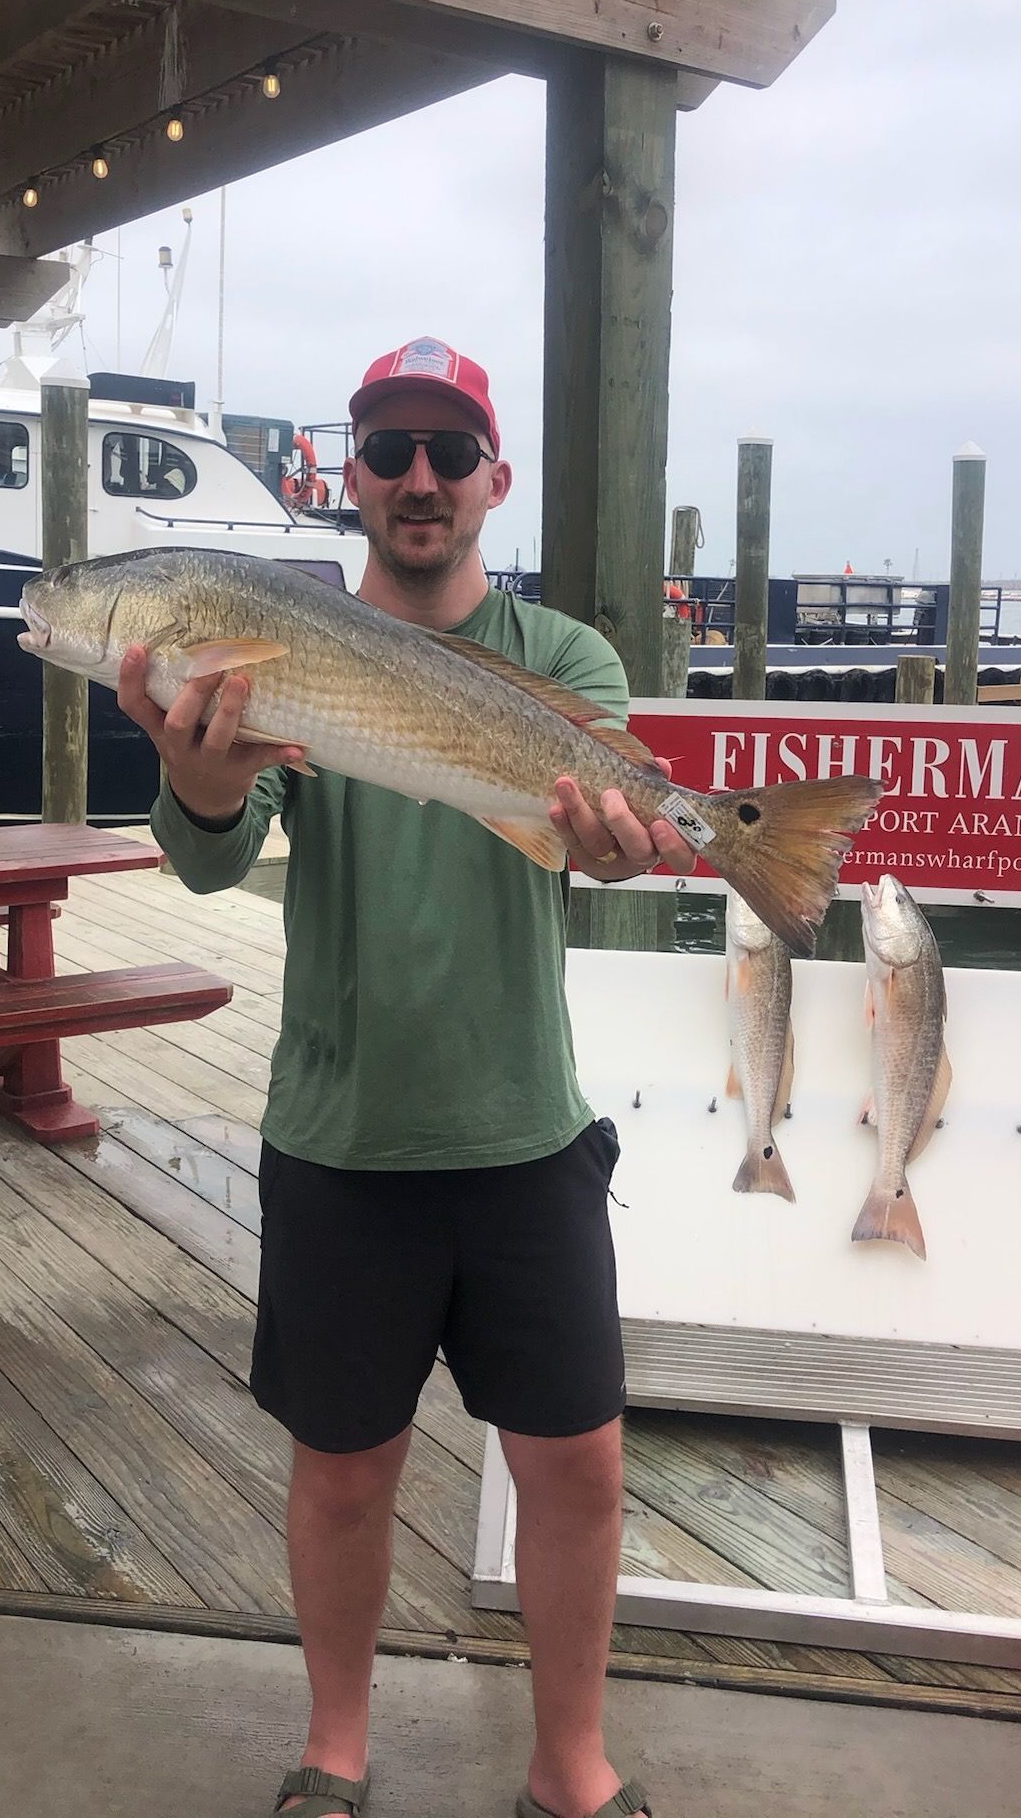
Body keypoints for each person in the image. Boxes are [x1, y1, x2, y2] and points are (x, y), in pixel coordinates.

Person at [116, 338, 697, 1818]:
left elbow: (587, 835)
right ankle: (337, 1747)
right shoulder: (270, 647)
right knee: (345, 1469)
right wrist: (202, 775)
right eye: (391, 453)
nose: (420, 479)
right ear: (350, 479)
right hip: (344, 1131)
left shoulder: (566, 660)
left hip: (524, 1130)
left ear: (495, 478)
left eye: (450, 452)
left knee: (575, 1464)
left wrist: (620, 838)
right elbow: (209, 860)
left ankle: (571, 1766)